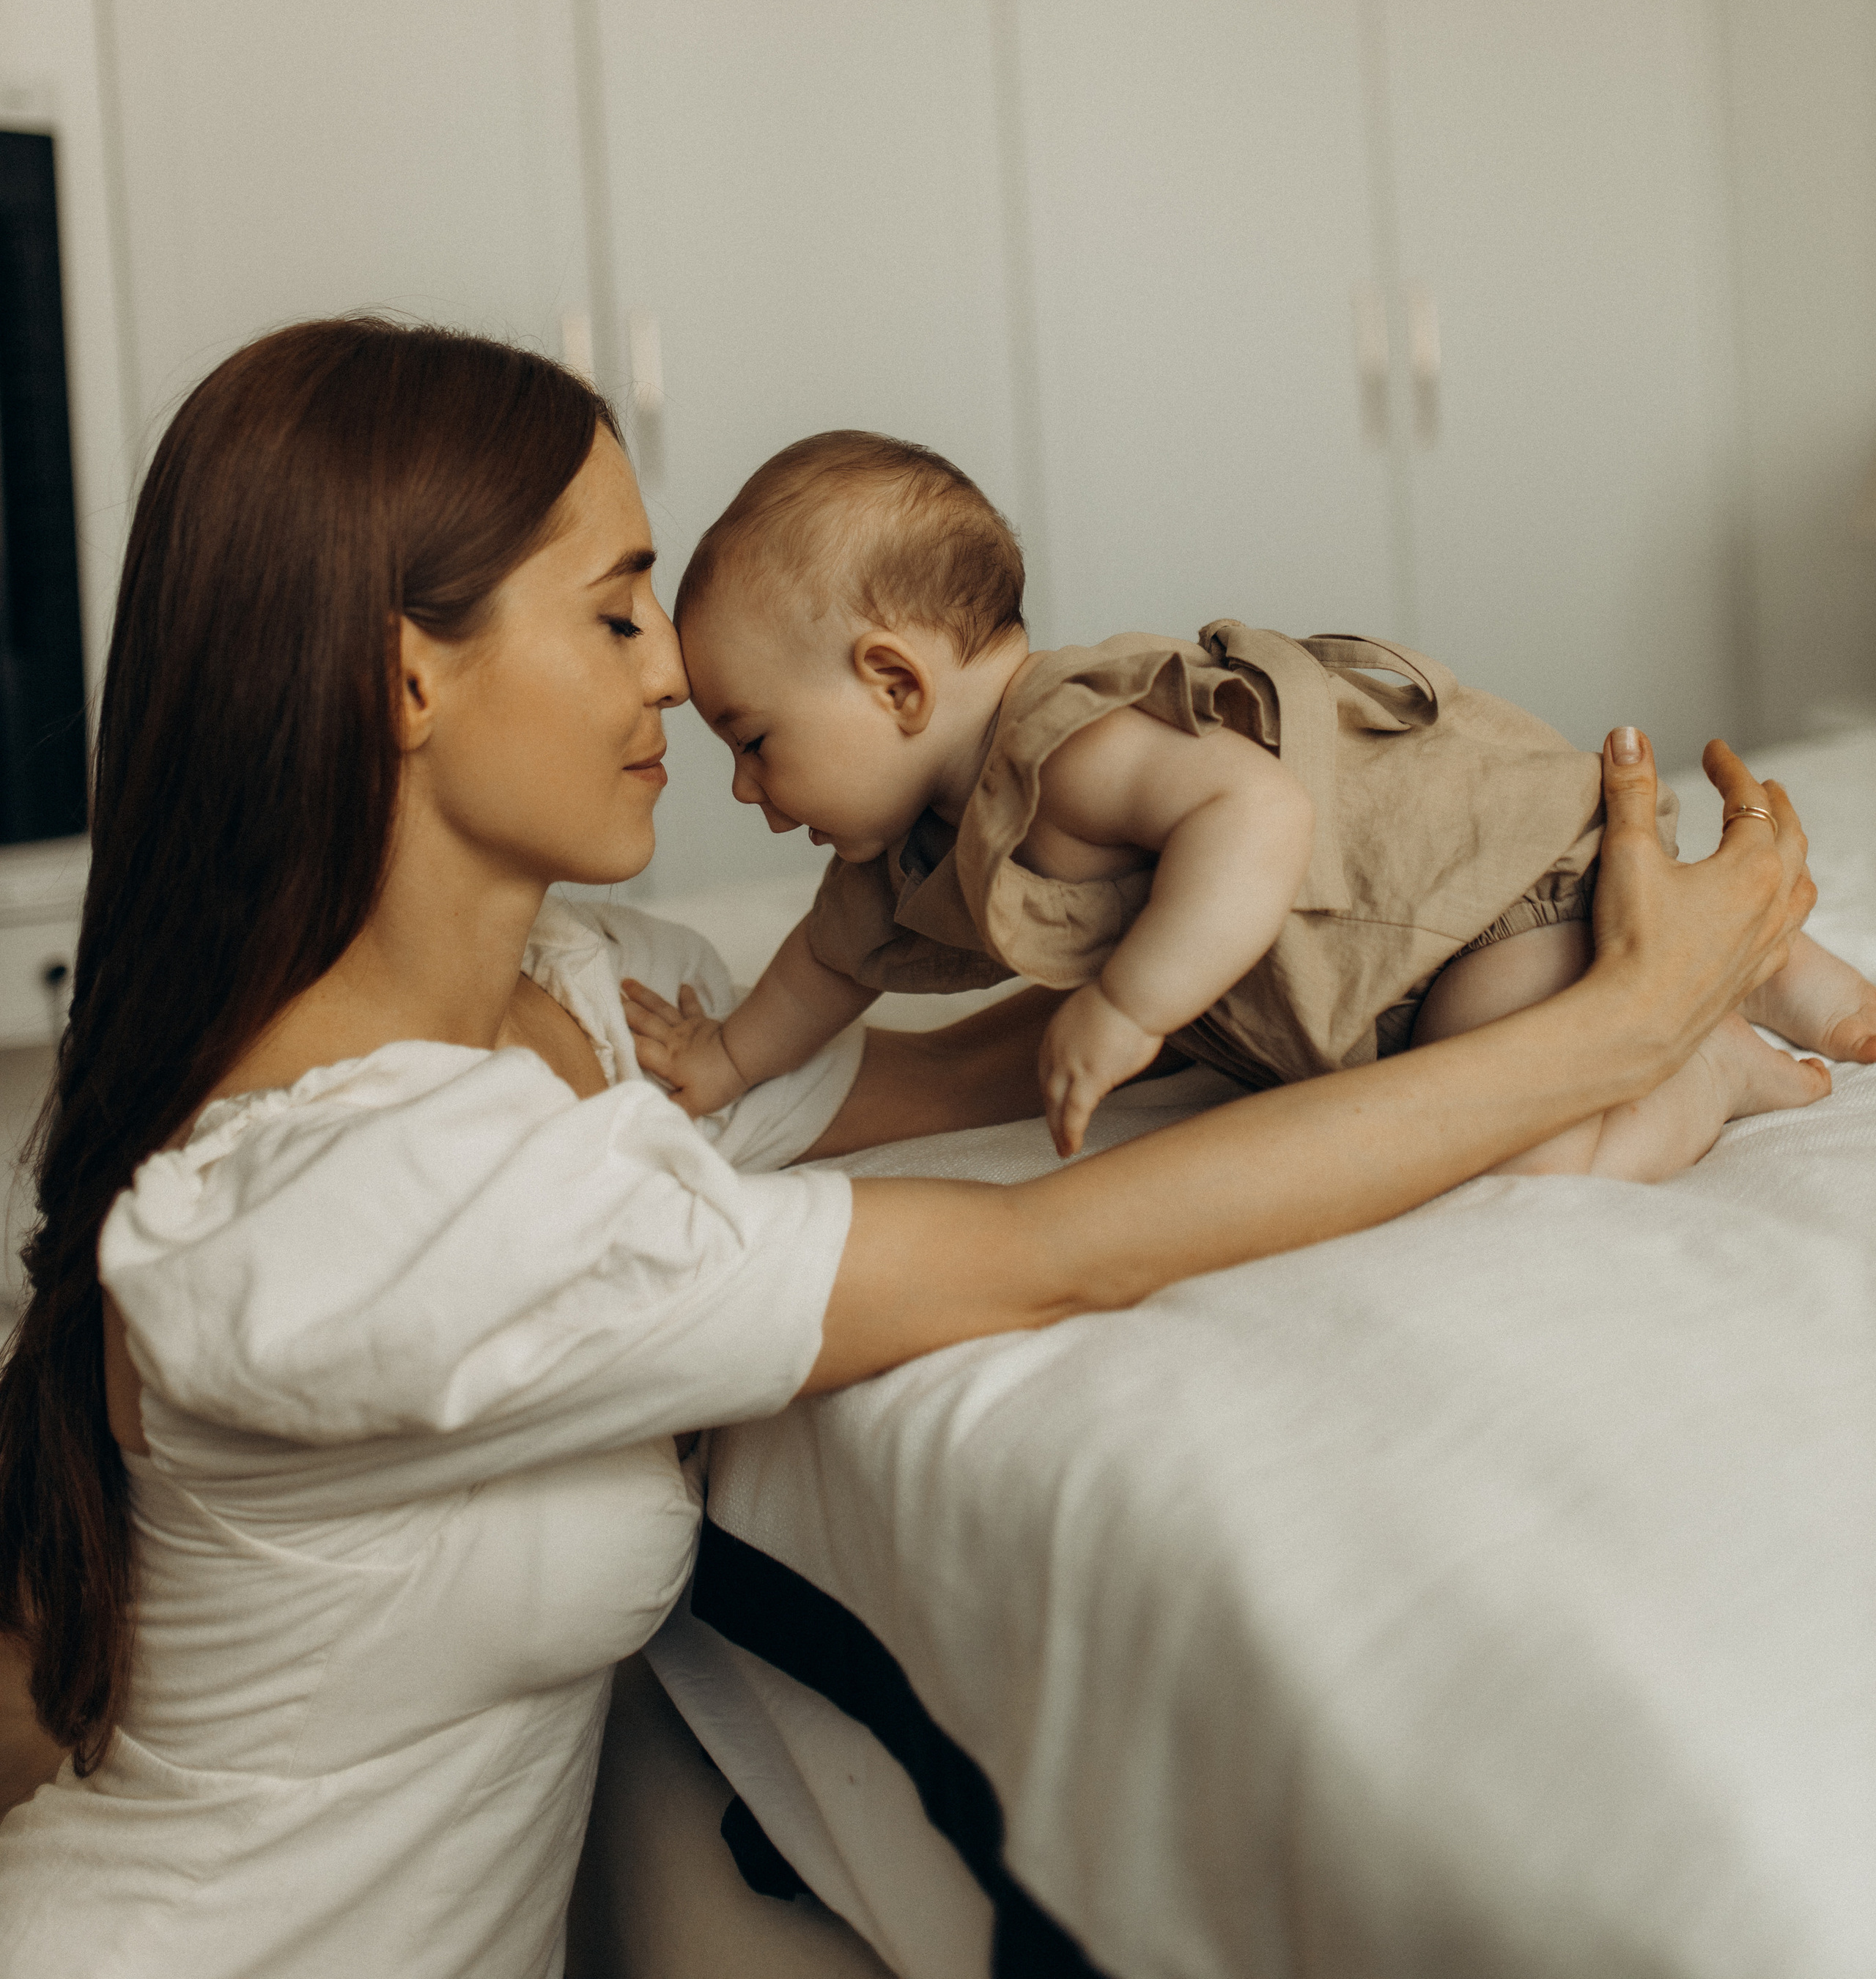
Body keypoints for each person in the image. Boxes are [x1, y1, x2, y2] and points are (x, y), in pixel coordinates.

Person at [0, 325, 1816, 1979]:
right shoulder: (361, 1203)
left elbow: (914, 1082)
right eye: (621, 617)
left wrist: (1290, 961)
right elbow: (1054, 1255)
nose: (672, 688)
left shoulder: (593, 1003)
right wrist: (1621, 1027)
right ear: (409, 680)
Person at [633, 429, 1864, 1169]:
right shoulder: (903, 861)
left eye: (753, 741)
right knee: (1527, 1064)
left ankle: (1711, 1059)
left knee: (1535, 1148)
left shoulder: (1063, 747)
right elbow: (823, 967)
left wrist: (1131, 1001)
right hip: (1407, 959)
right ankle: (1755, 977)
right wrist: (725, 1063)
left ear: (893, 682)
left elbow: (1258, 814)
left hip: (1464, 909)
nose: (743, 788)